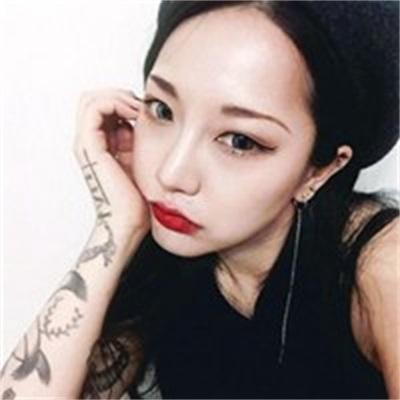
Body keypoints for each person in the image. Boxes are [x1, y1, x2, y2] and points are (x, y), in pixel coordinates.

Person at [1, 1, 399, 399]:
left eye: (240, 141)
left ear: (322, 168)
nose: (171, 174)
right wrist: (117, 226)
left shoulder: (382, 265)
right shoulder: (169, 250)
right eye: (162, 110)